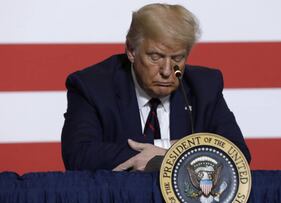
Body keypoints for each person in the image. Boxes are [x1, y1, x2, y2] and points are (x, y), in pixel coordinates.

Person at [61, 3, 251, 171]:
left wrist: (165, 154)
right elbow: (79, 154)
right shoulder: (92, 86)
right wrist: (185, 152)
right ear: (131, 50)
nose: (167, 71)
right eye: (155, 57)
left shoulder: (204, 86)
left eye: (177, 58)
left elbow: (238, 154)